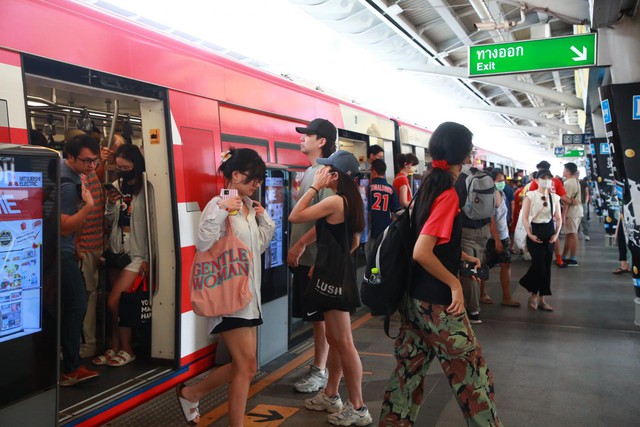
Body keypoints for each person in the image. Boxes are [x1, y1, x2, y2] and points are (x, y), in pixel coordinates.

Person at [379, 122, 501, 426]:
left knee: (408, 376)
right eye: (470, 147)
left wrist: (460, 258)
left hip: (414, 300)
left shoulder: (427, 183)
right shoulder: (447, 192)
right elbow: (422, 250)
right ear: (463, 153)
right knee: (473, 378)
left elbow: (427, 240)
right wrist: (454, 285)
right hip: (438, 305)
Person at [176, 148, 275, 426]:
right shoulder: (224, 202)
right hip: (230, 297)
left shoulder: (246, 206)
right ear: (235, 174)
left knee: (246, 366)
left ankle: (191, 393)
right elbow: (204, 242)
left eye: (259, 179)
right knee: (246, 367)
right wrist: (225, 205)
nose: (256, 183)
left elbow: (256, 248)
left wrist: (263, 219)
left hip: (247, 295)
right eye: (252, 177)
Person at [289, 150, 371, 426]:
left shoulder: (335, 201)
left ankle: (358, 407)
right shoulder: (351, 200)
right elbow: (351, 241)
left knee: (344, 342)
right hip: (335, 274)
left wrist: (314, 187)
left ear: (335, 176)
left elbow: (295, 216)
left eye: (326, 170)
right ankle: (331, 394)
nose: (321, 172)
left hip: (334, 280)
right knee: (336, 340)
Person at [93, 144, 155, 367]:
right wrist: (110, 203)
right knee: (117, 304)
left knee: (116, 301)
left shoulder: (147, 189)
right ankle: (115, 346)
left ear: (136, 165)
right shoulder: (117, 186)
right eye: (119, 167)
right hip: (116, 250)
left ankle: (128, 348)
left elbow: (151, 224)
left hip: (137, 252)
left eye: (126, 167)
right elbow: (110, 221)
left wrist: (148, 256)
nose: (123, 171)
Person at [288, 118, 337, 394]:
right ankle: (321, 369)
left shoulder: (324, 173)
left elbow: (327, 218)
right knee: (317, 319)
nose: (302, 138)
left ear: (321, 141)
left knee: (320, 319)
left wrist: (301, 245)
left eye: (308, 135)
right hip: (308, 260)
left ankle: (320, 371)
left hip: (314, 260)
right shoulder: (311, 172)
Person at [59, 134, 101, 386]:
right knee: (77, 305)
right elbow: (64, 227)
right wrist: (88, 206)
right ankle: (71, 368)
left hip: (66, 249)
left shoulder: (73, 174)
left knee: (69, 306)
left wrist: (75, 243)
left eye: (94, 161)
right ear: (71, 157)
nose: (92, 167)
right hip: (60, 253)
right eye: (86, 161)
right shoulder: (67, 183)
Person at [454, 150, 494, 324]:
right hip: (484, 229)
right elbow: (497, 204)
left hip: (466, 229)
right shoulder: (484, 177)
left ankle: (474, 311)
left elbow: (455, 204)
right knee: (478, 264)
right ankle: (479, 300)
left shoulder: (460, 180)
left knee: (468, 269)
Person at [519, 169, 562, 311]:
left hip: (549, 232)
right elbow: (525, 217)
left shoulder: (554, 197)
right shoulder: (530, 196)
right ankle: (533, 295)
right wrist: (530, 234)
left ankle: (542, 298)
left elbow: (559, 218)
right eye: (543, 177)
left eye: (549, 178)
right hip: (535, 230)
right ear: (536, 180)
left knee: (547, 265)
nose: (546, 180)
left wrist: (556, 235)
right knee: (539, 265)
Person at [480, 169, 520, 307]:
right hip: (492, 237)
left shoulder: (502, 193)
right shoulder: (490, 196)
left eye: (503, 180)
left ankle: (506, 296)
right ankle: (482, 293)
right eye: (499, 180)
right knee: (485, 266)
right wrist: (497, 239)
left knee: (506, 264)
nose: (502, 183)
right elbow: (491, 220)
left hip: (503, 234)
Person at [529, 160, 571, 267]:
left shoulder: (535, 182)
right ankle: (559, 259)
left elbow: (530, 198)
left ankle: (540, 259)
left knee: (537, 237)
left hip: (539, 216)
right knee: (553, 237)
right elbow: (563, 197)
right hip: (552, 214)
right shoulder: (556, 181)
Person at [367, 159, 399, 255]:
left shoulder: (368, 187)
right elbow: (395, 211)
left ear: (374, 171)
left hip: (370, 225)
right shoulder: (391, 189)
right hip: (385, 225)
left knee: (370, 252)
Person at [561, 162, 583, 266]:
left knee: (573, 234)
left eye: (564, 170)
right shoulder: (575, 181)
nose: (563, 171)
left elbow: (566, 200)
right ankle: (564, 257)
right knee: (569, 234)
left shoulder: (568, 183)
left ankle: (573, 258)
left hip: (572, 211)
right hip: (577, 210)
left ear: (568, 171)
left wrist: (563, 215)